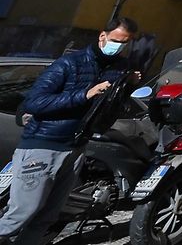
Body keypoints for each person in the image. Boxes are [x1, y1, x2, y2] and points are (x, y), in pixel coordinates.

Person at [0, 17, 138, 245]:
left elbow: (109, 109)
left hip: (75, 147)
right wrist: (84, 94)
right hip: (42, 147)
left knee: (47, 218)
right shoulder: (69, 64)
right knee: (20, 215)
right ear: (102, 36)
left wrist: (128, 85)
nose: (120, 47)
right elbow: (34, 103)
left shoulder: (118, 68)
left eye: (126, 43)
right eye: (116, 41)